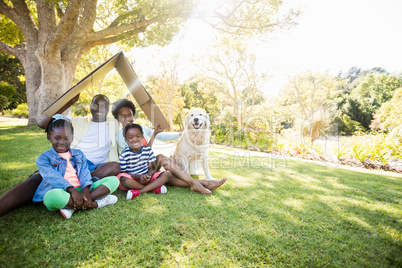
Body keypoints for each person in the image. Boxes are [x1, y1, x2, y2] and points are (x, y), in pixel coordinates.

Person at [0, 94, 120, 217]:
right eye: (95, 105)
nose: (99, 108)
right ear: (90, 106)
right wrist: (69, 102)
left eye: (103, 105)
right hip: (66, 164)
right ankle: (85, 199)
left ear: (108, 107)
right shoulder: (79, 121)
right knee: (37, 179)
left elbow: (131, 126)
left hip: (94, 168)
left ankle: (74, 198)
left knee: (114, 167)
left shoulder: (114, 123)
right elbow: (43, 124)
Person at [112, 99, 227, 195]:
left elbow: (150, 147)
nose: (127, 118)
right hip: (135, 172)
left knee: (162, 160)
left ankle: (196, 183)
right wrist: (142, 175)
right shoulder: (119, 137)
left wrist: (177, 134)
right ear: (118, 118)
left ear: (133, 115)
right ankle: (202, 183)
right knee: (166, 178)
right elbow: (135, 155)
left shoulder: (141, 128)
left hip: (149, 168)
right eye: (123, 116)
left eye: (130, 115)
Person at [34, 115, 119, 219]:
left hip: (82, 190)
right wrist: (72, 190)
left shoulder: (78, 154)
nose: (62, 142)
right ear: (49, 138)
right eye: (57, 138)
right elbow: (52, 177)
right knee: (49, 198)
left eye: (67, 138)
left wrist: (86, 191)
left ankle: (72, 206)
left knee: (114, 180)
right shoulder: (43, 158)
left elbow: (84, 172)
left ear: (72, 138)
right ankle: (96, 203)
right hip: (62, 191)